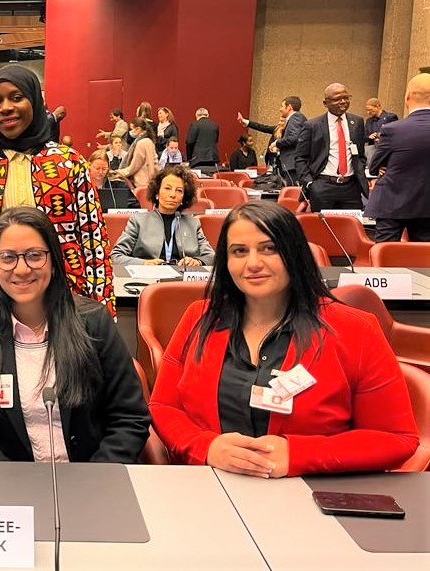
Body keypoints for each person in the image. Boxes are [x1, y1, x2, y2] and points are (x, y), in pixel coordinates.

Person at [149, 201, 418, 477]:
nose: (253, 263)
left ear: (294, 253)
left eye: (269, 248)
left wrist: (299, 455)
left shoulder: (355, 330)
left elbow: (396, 438)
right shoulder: (200, 317)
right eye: (239, 251)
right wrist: (205, 447)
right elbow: (164, 406)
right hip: (210, 487)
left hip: (314, 491)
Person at [0, 207, 149, 462]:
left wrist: (95, 477)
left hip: (91, 480)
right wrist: (7, 480)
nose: (23, 269)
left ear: (53, 261)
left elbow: (130, 418)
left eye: (35, 256)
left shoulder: (94, 323)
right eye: (7, 257)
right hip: (7, 485)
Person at [0, 63, 115, 339]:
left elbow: (94, 245)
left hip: (63, 310)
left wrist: (102, 316)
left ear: (35, 102)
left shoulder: (70, 164)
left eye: (16, 97)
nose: (6, 107)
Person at [365, 73, 430, 242]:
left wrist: (385, 165)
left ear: (407, 97)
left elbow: (373, 167)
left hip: (391, 204)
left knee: (386, 258)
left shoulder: (393, 129)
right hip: (426, 208)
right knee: (424, 261)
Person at [111, 165, 214, 266]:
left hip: (181, 278)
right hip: (147, 277)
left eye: (179, 190)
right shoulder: (138, 220)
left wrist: (197, 261)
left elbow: (211, 256)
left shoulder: (193, 223)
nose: (173, 195)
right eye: (167, 188)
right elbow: (116, 256)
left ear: (184, 197)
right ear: (157, 193)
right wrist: (143, 263)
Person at [295, 83, 368, 212]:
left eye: (346, 97)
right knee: (323, 230)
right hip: (322, 186)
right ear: (325, 103)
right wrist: (310, 184)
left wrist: (359, 172)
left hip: (351, 188)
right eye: (337, 99)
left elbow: (360, 154)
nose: (343, 102)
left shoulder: (357, 122)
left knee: (350, 229)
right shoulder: (312, 125)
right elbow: (300, 158)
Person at [239, 96, 306, 186]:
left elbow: (294, 138)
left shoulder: (295, 118)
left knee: (291, 190)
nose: (280, 109)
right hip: (284, 165)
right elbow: (263, 127)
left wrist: (276, 143)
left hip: (292, 165)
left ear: (289, 107)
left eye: (282, 106)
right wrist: (246, 122)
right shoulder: (295, 119)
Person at [112, 116, 158, 188]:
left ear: (138, 129)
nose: (130, 132)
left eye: (132, 129)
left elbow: (134, 166)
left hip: (142, 182)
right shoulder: (149, 141)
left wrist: (117, 172)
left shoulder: (141, 143)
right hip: (150, 181)